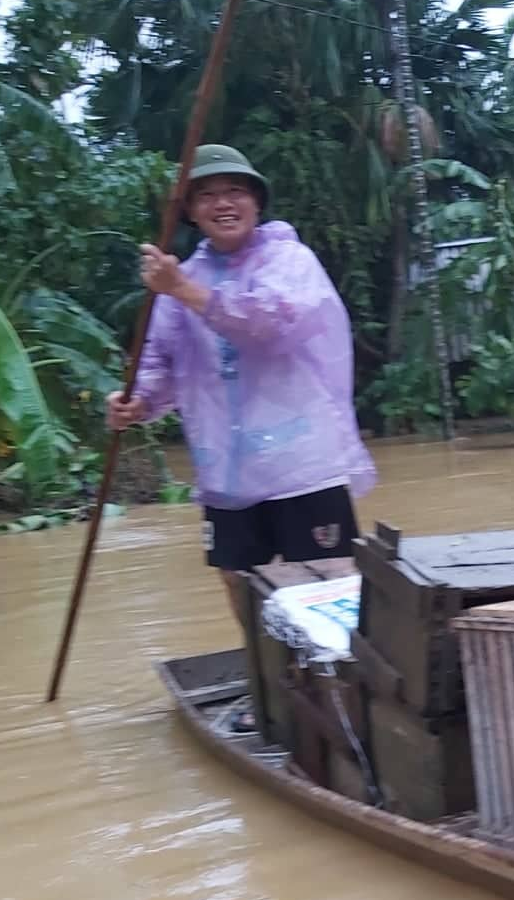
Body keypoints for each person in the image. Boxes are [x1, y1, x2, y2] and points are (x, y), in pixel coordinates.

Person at [105, 144, 375, 636]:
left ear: (255, 201)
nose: (223, 203)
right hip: (226, 469)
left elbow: (270, 322)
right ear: (189, 211)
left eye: (235, 191)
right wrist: (136, 403)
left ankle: (340, 686)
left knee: (330, 578)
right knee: (238, 579)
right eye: (206, 195)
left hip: (302, 464)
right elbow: (162, 362)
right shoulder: (180, 279)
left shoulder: (290, 260)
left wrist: (183, 291)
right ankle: (267, 685)